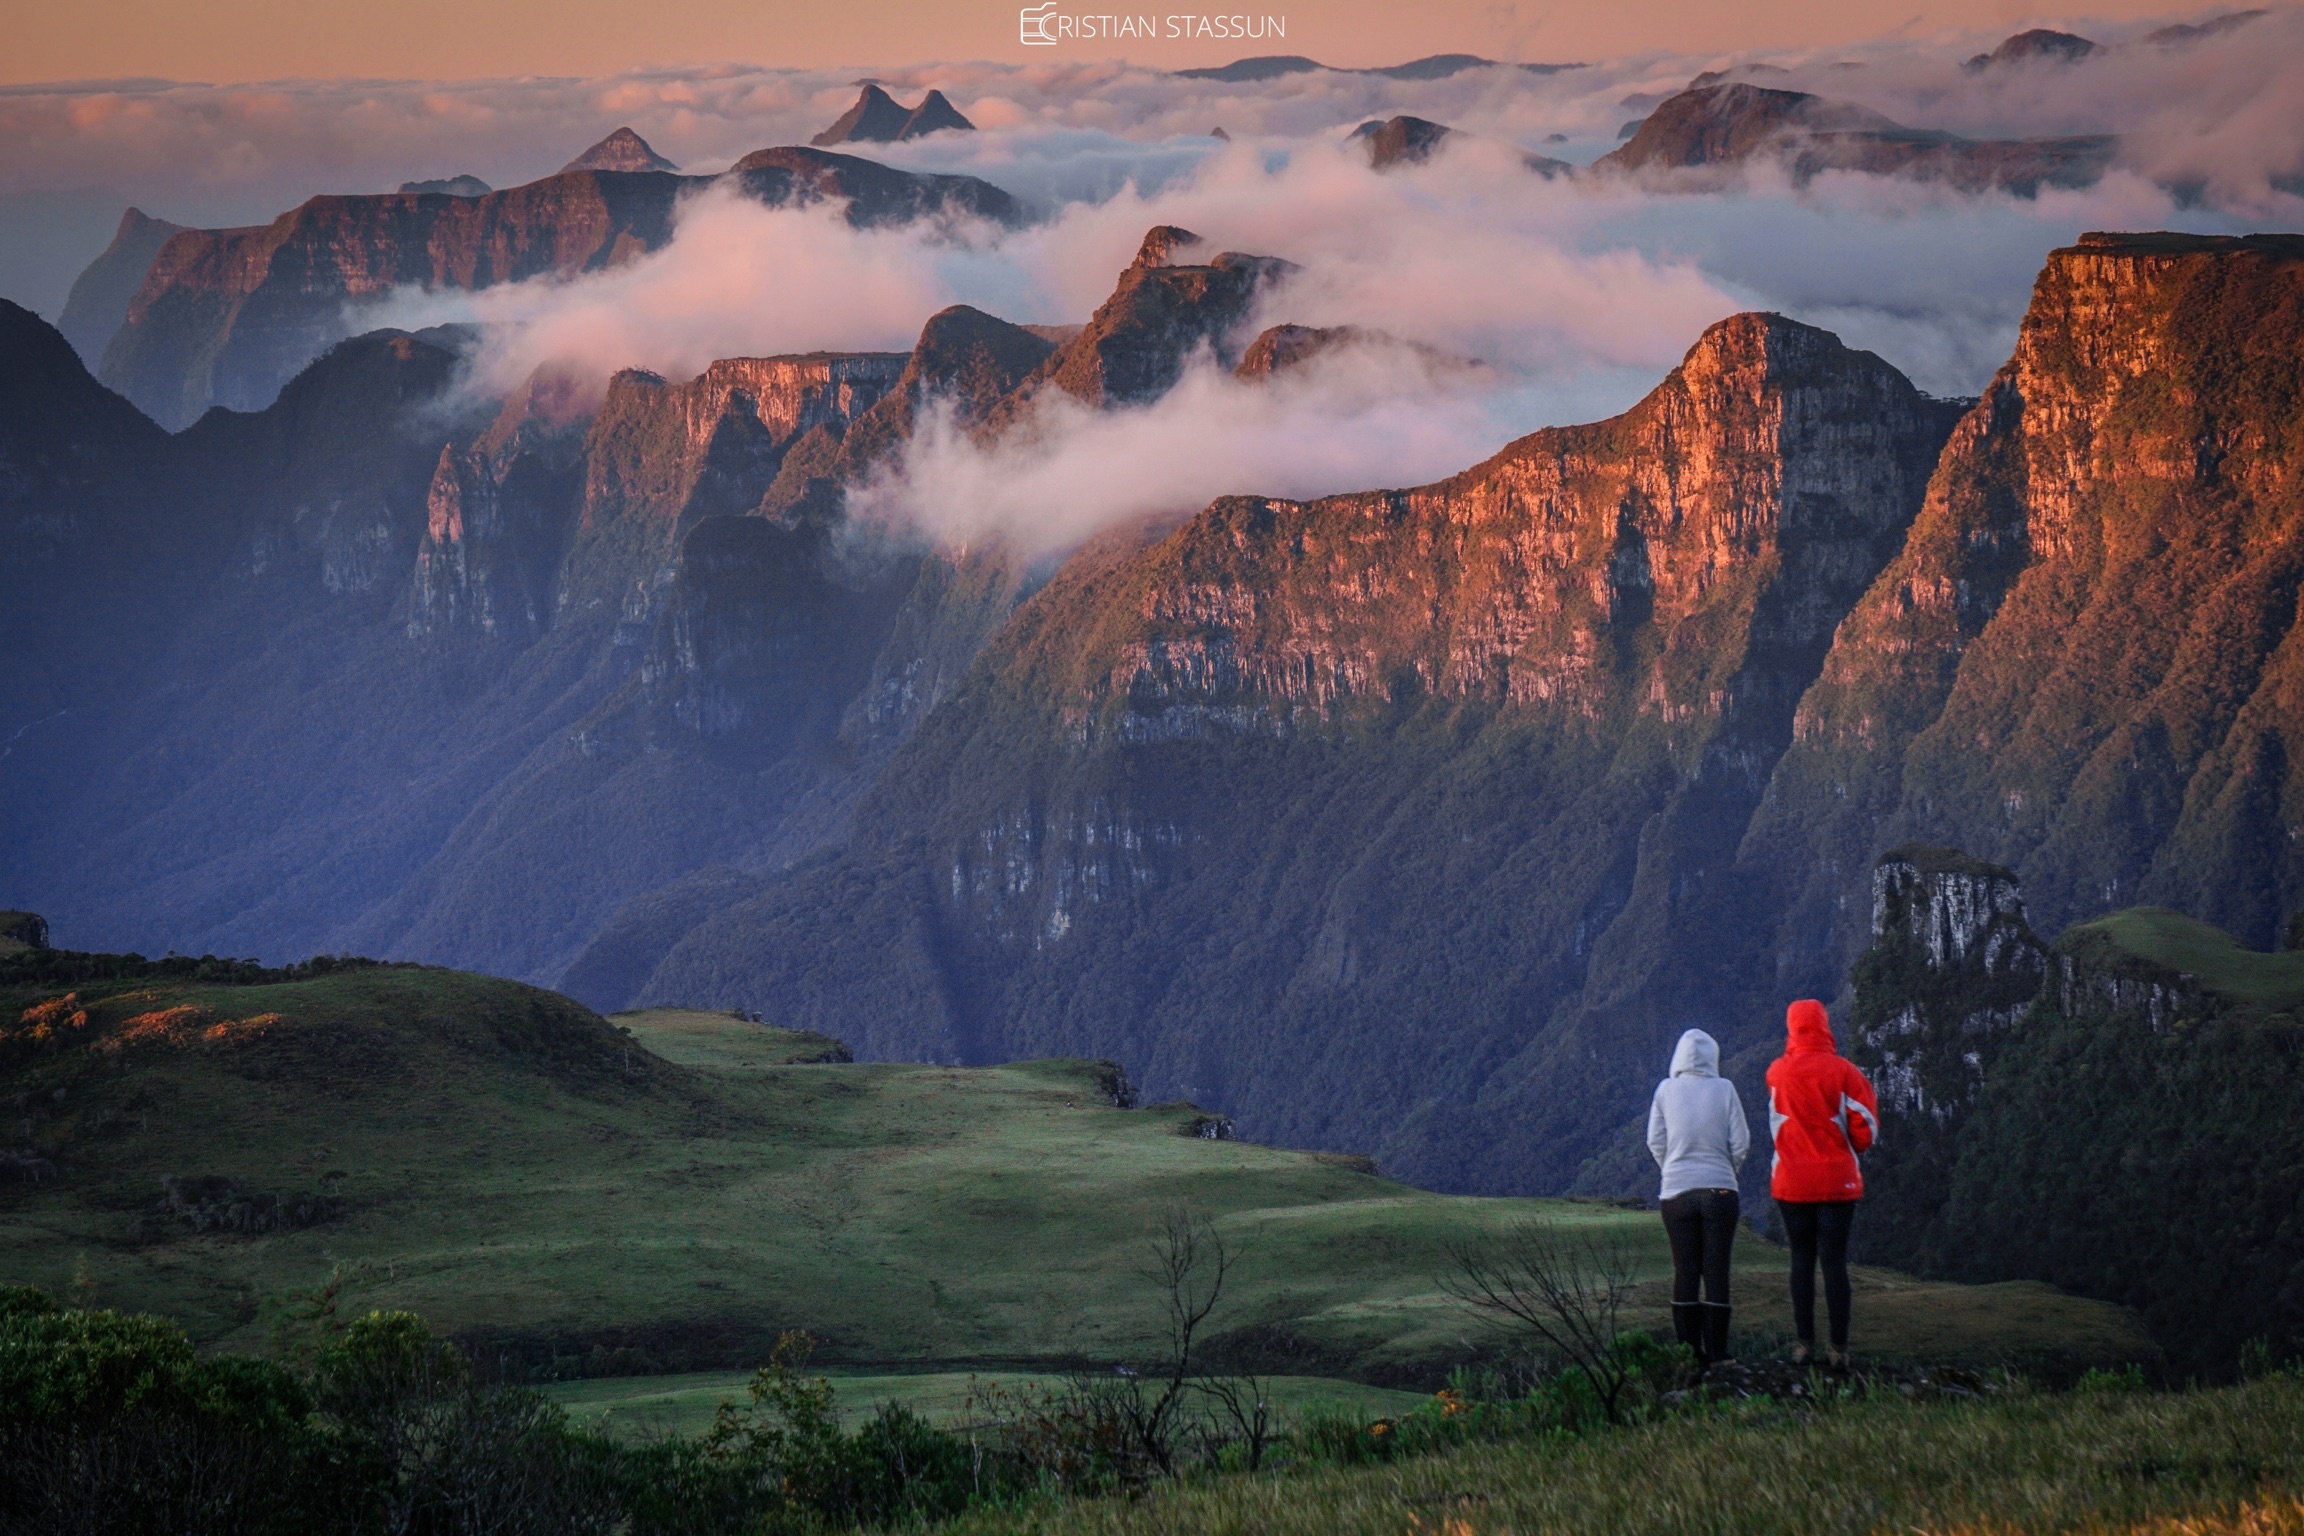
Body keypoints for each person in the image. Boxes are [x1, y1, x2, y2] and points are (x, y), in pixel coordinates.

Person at [1766, 998, 1880, 1368]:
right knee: (1833, 1262)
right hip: (1836, 1182)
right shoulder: (1844, 1072)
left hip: (1792, 1183)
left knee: (1801, 1260)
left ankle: (1803, 1345)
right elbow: (1866, 1124)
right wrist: (1851, 1147)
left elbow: (1775, 1126)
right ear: (1823, 1026)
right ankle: (1839, 1349)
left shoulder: (1776, 1074)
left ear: (1792, 1027)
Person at [1647, 1027, 1749, 1367]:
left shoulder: (1665, 1090)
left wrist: (1673, 1170)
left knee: (1685, 1272)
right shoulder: (1725, 1089)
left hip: (1676, 1192)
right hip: (1720, 1189)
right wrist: (1725, 1172)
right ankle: (1719, 1354)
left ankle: (1688, 1355)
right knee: (1716, 1272)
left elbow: (1655, 1141)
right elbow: (1741, 1142)